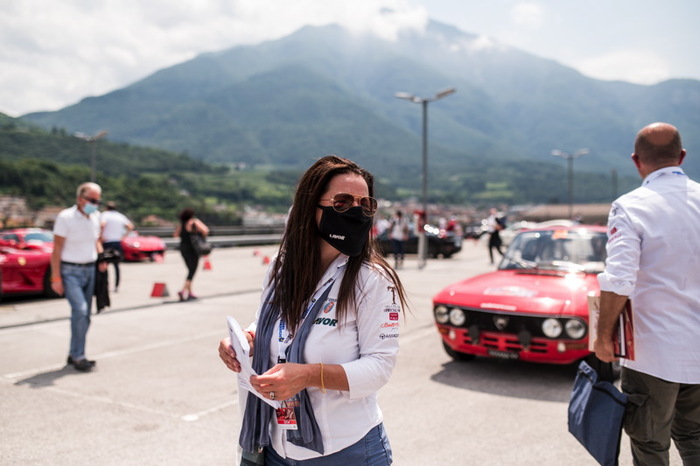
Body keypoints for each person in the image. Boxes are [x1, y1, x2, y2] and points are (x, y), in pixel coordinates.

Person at [218, 155, 408, 465]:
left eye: (365, 204)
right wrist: (247, 339)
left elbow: (379, 367)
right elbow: (273, 323)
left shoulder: (372, 279)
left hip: (346, 451)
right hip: (274, 447)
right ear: (311, 207)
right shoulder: (281, 267)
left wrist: (309, 375)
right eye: (342, 202)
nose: (357, 211)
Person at [594, 122, 700, 465]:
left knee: (650, 444)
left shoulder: (630, 206)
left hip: (653, 351)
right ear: (681, 156)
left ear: (636, 160)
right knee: (695, 439)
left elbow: (619, 279)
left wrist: (603, 338)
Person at [50, 182, 108, 372]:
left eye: (98, 201)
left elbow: (96, 240)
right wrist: (55, 277)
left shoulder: (96, 217)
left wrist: (101, 257)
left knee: (85, 316)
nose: (95, 204)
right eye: (92, 200)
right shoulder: (65, 217)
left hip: (90, 269)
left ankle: (73, 352)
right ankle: (79, 356)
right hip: (70, 270)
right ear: (80, 199)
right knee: (81, 311)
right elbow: (57, 249)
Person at [173, 207, 209, 301]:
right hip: (193, 249)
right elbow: (205, 230)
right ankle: (183, 290)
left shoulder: (182, 224)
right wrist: (197, 234)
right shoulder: (194, 222)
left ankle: (190, 293)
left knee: (189, 269)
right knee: (192, 270)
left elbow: (175, 235)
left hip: (183, 249)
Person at [100, 201, 133, 292]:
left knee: (104, 264)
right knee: (116, 265)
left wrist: (101, 235)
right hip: (117, 242)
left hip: (107, 242)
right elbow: (130, 226)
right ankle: (116, 285)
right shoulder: (120, 216)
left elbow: (102, 225)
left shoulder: (105, 215)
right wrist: (124, 236)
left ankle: (105, 285)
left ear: (106, 208)